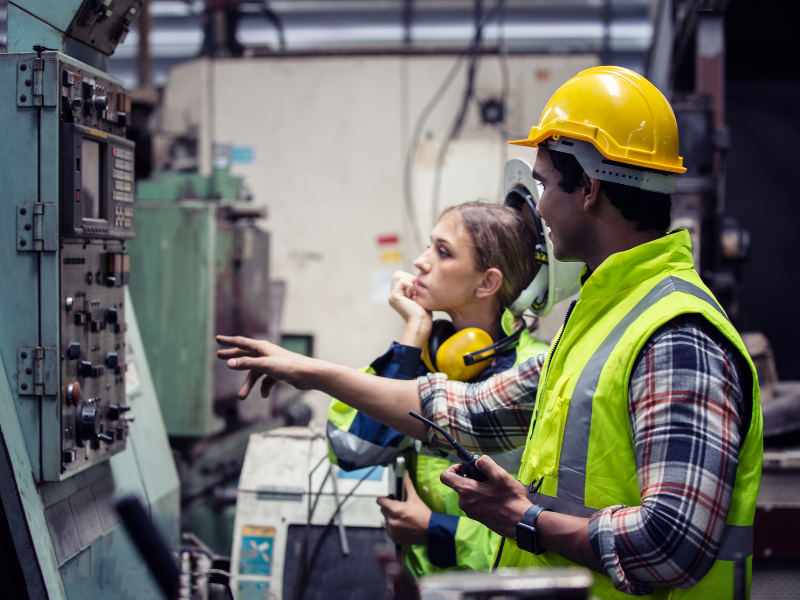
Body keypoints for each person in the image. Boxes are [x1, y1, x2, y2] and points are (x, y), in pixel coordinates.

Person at [217, 66, 762, 598]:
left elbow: (671, 544)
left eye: (545, 184)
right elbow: (471, 410)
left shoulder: (675, 335)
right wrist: (307, 371)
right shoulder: (602, 316)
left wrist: (524, 516)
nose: (539, 208)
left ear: (590, 188)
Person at [327, 200, 570, 577]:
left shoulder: (535, 374)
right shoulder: (420, 359)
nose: (421, 262)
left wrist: (437, 531)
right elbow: (353, 451)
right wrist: (412, 336)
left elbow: (550, 525)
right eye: (429, 246)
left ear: (487, 282)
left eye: (443, 252)